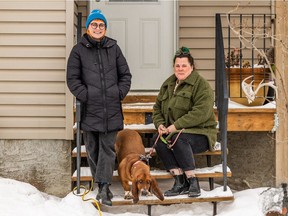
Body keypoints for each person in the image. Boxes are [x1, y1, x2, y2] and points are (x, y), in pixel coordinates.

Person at [66, 9, 132, 206]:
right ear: (88, 28)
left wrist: (118, 93)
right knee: (93, 149)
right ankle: (100, 182)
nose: (98, 28)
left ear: (105, 28)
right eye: (94, 24)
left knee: (107, 148)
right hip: (89, 108)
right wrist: (87, 95)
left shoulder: (114, 48)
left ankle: (104, 187)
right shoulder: (78, 50)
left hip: (110, 107)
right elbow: (72, 79)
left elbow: (125, 75)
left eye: (101, 25)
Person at [152, 47, 217, 197]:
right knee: (159, 142)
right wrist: (160, 124)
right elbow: (157, 109)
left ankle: (192, 181)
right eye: (177, 66)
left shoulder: (201, 86)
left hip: (200, 133)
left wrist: (175, 126)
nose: (180, 69)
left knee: (177, 139)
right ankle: (179, 181)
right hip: (172, 132)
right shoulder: (168, 84)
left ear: (192, 67)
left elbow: (201, 113)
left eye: (184, 65)